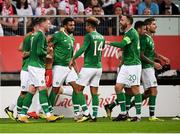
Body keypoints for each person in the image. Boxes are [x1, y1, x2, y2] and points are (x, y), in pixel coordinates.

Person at [18, 17, 59, 123]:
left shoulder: (37, 35)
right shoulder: (41, 35)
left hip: (33, 65)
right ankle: (48, 114)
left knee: (31, 90)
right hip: (37, 66)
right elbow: (39, 52)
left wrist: (45, 50)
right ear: (42, 24)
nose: (49, 25)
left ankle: (22, 115)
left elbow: (34, 50)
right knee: (42, 89)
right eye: (48, 23)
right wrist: (48, 52)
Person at [105, 15, 142, 122]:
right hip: (126, 65)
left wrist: (108, 42)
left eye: (122, 20)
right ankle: (123, 113)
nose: (120, 22)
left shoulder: (131, 32)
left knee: (135, 89)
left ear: (129, 22)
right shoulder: (127, 33)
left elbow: (122, 44)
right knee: (118, 87)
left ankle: (138, 116)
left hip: (134, 65)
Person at [69, 17, 105, 122]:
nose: (85, 27)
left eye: (86, 25)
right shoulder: (101, 37)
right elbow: (101, 50)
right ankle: (94, 116)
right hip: (98, 67)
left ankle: (86, 113)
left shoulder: (89, 36)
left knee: (78, 89)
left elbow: (83, 48)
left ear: (90, 26)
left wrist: (73, 58)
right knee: (94, 92)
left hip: (88, 67)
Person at [4, 20, 40, 120]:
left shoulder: (38, 37)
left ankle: (18, 111)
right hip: (27, 69)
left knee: (30, 91)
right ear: (35, 27)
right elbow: (22, 51)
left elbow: (21, 48)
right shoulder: (30, 36)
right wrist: (32, 51)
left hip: (33, 69)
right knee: (25, 92)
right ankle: (17, 111)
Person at [48, 17, 82, 120]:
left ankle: (77, 114)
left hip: (69, 67)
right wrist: (50, 54)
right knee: (55, 89)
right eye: (70, 25)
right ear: (65, 26)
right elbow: (49, 45)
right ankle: (48, 112)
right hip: (58, 66)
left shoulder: (72, 37)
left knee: (77, 87)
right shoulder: (58, 35)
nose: (73, 27)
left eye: (73, 25)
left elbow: (72, 56)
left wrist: (76, 69)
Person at [140, 17, 169, 121]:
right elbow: (141, 55)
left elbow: (152, 52)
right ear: (147, 26)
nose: (155, 26)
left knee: (148, 93)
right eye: (153, 24)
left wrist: (161, 57)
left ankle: (126, 106)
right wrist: (154, 63)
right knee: (154, 90)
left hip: (149, 67)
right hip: (146, 68)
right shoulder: (143, 38)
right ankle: (152, 116)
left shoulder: (150, 38)